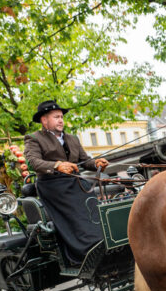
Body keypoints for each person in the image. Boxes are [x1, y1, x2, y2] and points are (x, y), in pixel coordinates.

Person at [24, 100, 109, 265]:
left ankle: (101, 240)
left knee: (90, 200)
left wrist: (97, 163)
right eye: (56, 117)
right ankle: (84, 251)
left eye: (61, 116)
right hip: (52, 186)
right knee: (75, 208)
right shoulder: (34, 138)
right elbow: (33, 162)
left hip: (74, 182)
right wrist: (56, 165)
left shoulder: (72, 138)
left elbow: (85, 161)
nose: (61, 120)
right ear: (44, 120)